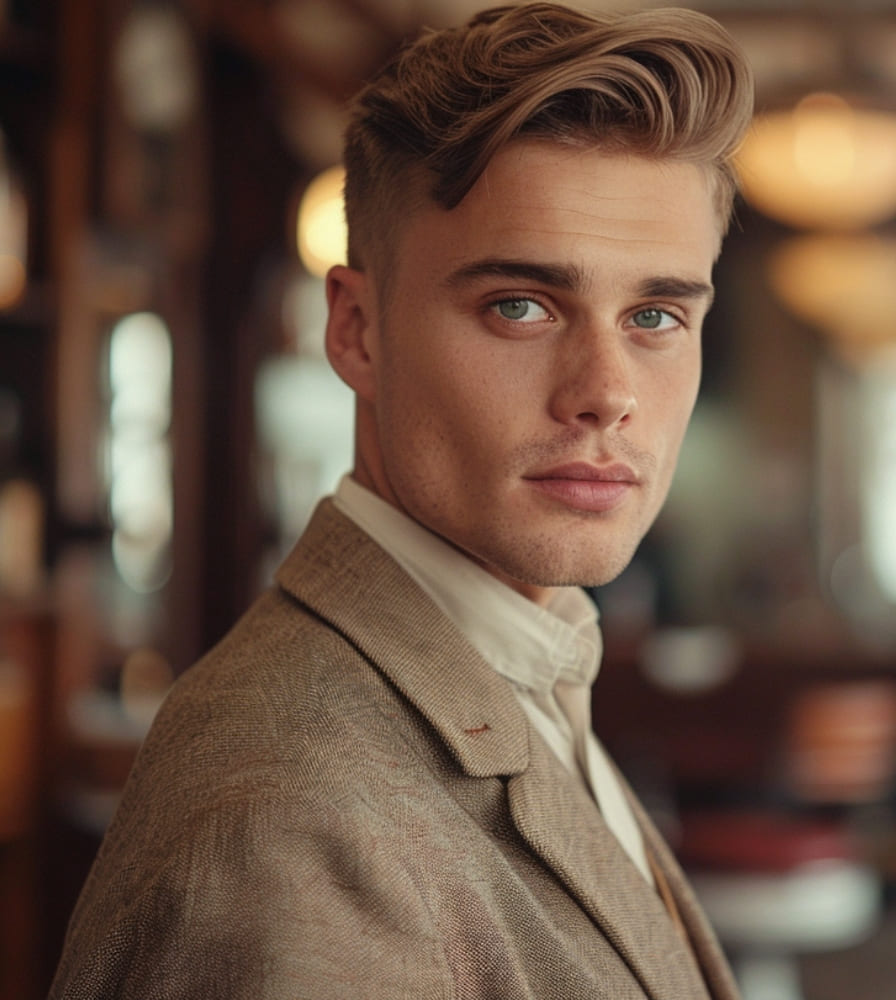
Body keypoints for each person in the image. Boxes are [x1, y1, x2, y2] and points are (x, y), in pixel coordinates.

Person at [49, 4, 753, 998]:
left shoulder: (524, 667)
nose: (607, 390)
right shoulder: (294, 818)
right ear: (357, 331)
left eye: (653, 314)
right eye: (520, 305)